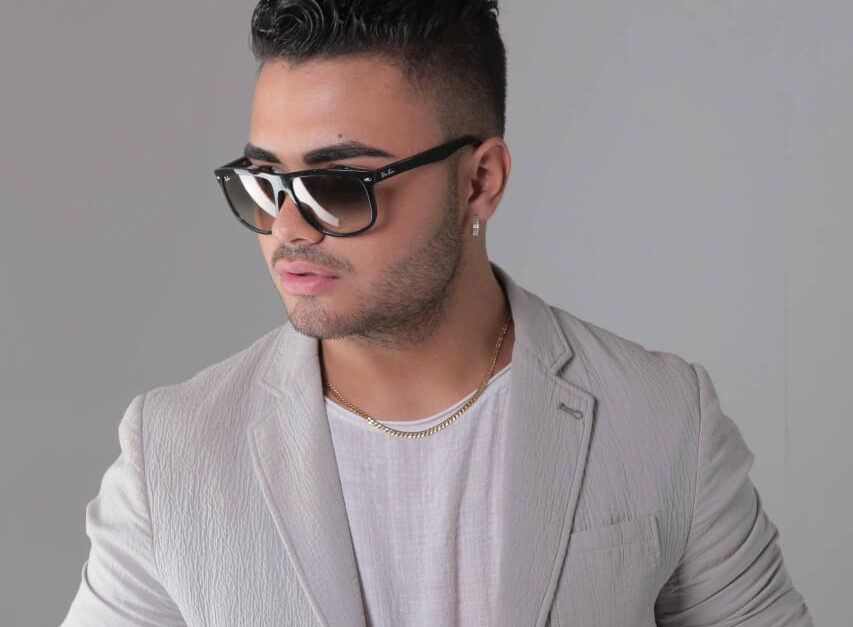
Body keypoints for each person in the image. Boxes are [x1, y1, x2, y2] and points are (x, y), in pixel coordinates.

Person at [61, 1, 814, 625]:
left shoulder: (661, 417)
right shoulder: (173, 454)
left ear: (479, 182)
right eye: (263, 180)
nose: (287, 228)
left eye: (340, 184)